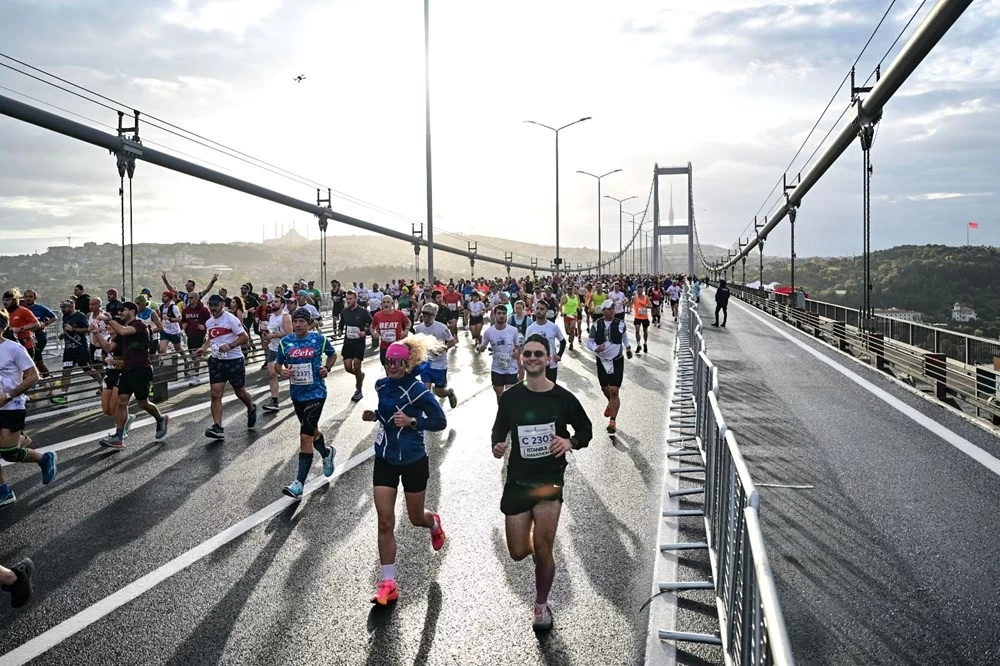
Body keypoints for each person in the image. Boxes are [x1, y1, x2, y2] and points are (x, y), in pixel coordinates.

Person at [491, 334, 593, 631]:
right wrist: (497, 445)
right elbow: (498, 430)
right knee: (517, 552)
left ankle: (541, 605)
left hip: (549, 480)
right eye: (528, 354)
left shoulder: (562, 398)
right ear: (521, 359)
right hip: (518, 481)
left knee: (544, 548)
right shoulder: (510, 397)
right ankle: (538, 550)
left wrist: (570, 442)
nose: (533, 358)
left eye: (538, 353)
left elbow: (586, 430)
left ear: (549, 359)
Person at [363, 336, 448, 606]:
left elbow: (439, 421)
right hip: (385, 458)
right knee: (385, 521)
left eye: (397, 362)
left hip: (413, 459)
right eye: (389, 361)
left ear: (407, 363)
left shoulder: (418, 390)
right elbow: (387, 413)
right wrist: (375, 416)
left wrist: (412, 421)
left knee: (415, 517)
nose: (392, 366)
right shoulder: (381, 385)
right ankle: (388, 583)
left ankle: (433, 523)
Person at [276, 308, 339, 498]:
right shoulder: (285, 342)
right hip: (297, 395)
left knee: (305, 436)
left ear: (308, 323)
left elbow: (332, 354)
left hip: (316, 393)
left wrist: (326, 367)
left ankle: (298, 484)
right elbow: (278, 364)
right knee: (312, 431)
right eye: (295, 321)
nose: (298, 325)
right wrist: (282, 371)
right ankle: (326, 453)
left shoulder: (319, 339)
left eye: (302, 321)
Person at [0, 309, 56, 507]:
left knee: (9, 453)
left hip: (11, 406)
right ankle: (3, 491)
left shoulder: (14, 349)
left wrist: (9, 396)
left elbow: (33, 375)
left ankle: (44, 459)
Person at [100, 302, 170, 448]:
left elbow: (123, 331)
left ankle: (160, 419)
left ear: (132, 311)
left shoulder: (140, 325)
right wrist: (95, 332)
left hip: (141, 369)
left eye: (123, 310)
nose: (120, 313)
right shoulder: (122, 331)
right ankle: (119, 436)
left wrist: (109, 320)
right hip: (127, 370)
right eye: (119, 311)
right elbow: (108, 347)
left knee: (142, 403)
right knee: (122, 401)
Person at [198, 294, 256, 439]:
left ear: (223, 305)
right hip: (217, 361)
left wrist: (230, 346)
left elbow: (244, 337)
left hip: (234, 360)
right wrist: (203, 348)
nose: (213, 308)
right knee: (215, 394)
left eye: (216, 305)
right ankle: (218, 427)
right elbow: (212, 338)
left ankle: (251, 407)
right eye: (211, 305)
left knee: (239, 392)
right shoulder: (209, 322)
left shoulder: (231, 319)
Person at [587, 300, 633, 435]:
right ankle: (610, 403)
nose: (612, 311)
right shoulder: (596, 325)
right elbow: (589, 342)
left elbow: (624, 336)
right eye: (609, 309)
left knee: (614, 390)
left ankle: (612, 421)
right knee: (605, 388)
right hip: (602, 360)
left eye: (613, 308)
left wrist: (628, 348)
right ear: (603, 311)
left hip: (617, 359)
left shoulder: (620, 323)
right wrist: (595, 348)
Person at [412, 303, 458, 409]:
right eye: (424, 316)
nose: (426, 319)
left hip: (439, 364)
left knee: (439, 392)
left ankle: (449, 393)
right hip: (425, 362)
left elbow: (452, 341)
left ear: (434, 316)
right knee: (425, 389)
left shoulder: (442, 328)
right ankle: (428, 410)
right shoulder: (419, 328)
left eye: (429, 316)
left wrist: (441, 349)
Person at [479, 304, 520, 401]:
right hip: (497, 368)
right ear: (494, 315)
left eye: (504, 313)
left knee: (510, 395)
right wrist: (481, 348)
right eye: (499, 313)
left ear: (507, 315)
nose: (501, 315)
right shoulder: (488, 332)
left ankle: (509, 410)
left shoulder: (513, 330)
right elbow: (482, 347)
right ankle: (501, 409)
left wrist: (517, 352)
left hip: (511, 367)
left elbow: (517, 347)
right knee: (500, 396)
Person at [260, 296, 292, 412]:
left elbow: (289, 333)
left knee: (292, 373)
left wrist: (273, 335)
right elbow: (271, 331)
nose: (273, 303)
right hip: (274, 348)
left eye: (276, 302)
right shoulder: (271, 317)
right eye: (273, 301)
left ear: (282, 305)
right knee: (271, 374)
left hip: (286, 348)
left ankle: (298, 393)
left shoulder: (285, 316)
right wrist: (267, 337)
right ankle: (274, 401)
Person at [340, 290, 373, 402]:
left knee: (357, 366)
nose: (348, 301)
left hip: (359, 343)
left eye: (350, 299)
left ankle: (359, 390)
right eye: (347, 299)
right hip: (348, 343)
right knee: (348, 367)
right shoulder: (344, 311)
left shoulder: (363, 312)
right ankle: (360, 375)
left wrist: (366, 332)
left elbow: (373, 324)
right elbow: (342, 322)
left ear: (356, 299)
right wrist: (339, 330)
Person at [22, 290, 55, 393]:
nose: (28, 298)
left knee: (32, 361)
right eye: (26, 297)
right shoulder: (22, 309)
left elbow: (54, 317)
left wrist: (44, 324)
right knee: (38, 361)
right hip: (26, 339)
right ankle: (48, 378)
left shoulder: (40, 308)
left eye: (30, 296)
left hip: (39, 338)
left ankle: (31, 383)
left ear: (34, 298)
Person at [525, 301, 565, 383]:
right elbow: (526, 347)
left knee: (550, 388)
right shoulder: (530, 329)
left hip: (551, 364)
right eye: (537, 308)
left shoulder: (553, 327)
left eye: (542, 309)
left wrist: (559, 354)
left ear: (546, 311)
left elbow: (563, 341)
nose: (539, 311)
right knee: (535, 388)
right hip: (535, 364)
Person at [371, 295, 411, 370]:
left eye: (388, 302)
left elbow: (408, 322)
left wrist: (406, 330)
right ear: (381, 304)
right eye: (384, 302)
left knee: (397, 367)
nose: (386, 304)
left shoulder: (399, 314)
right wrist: (374, 333)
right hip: (384, 346)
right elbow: (372, 326)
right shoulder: (377, 315)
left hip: (397, 345)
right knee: (386, 366)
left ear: (392, 304)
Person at [181, 291, 210, 386]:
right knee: (193, 355)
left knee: (196, 355)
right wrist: (183, 325)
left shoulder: (203, 310)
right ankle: (209, 361)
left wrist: (204, 327)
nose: (189, 300)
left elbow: (210, 321)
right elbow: (182, 321)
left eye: (191, 298)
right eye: (188, 298)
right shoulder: (186, 310)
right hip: (190, 335)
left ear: (197, 299)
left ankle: (196, 376)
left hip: (200, 335)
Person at [631, 284, 651, 354]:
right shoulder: (634, 298)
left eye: (640, 290)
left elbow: (651, 306)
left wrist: (645, 305)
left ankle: (645, 343)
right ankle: (638, 345)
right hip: (637, 317)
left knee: (645, 331)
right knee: (637, 330)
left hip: (645, 317)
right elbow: (630, 304)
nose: (639, 291)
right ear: (637, 290)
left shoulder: (646, 297)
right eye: (638, 290)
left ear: (643, 290)